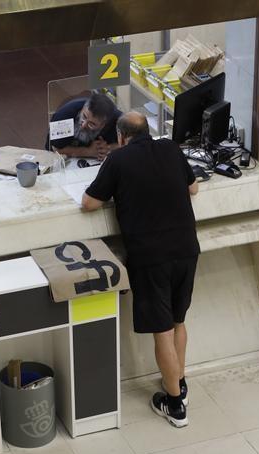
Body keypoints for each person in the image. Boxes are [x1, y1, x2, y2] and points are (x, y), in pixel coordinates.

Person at [81, 111, 198, 428]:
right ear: (150, 130)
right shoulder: (171, 149)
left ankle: (174, 405)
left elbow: (88, 203)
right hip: (186, 249)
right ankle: (180, 384)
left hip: (151, 256)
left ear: (120, 137)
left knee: (161, 329)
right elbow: (194, 188)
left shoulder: (118, 162)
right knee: (178, 321)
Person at [47, 91, 121, 161]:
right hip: (63, 158)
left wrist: (108, 149)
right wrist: (88, 152)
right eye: (84, 116)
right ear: (83, 108)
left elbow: (129, 142)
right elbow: (55, 149)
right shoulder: (63, 116)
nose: (83, 125)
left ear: (104, 124)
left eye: (92, 124)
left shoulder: (119, 120)